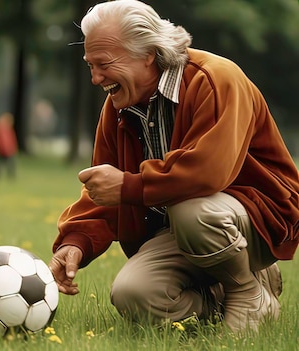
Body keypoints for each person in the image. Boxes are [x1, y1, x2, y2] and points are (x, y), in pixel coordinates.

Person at [48, 0, 299, 334]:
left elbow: (208, 173)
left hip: (255, 218)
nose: (95, 78)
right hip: (183, 228)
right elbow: (105, 184)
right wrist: (75, 241)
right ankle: (231, 296)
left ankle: (245, 291)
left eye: (103, 64)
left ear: (148, 54)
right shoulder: (118, 104)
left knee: (192, 210)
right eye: (89, 65)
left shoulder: (216, 79)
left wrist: (128, 186)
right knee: (133, 295)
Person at [0, 112, 18, 180]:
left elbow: (12, 140)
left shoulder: (8, 129)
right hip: (3, 150)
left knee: (9, 164)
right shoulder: (0, 129)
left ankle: (10, 176)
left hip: (7, 150)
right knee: (0, 164)